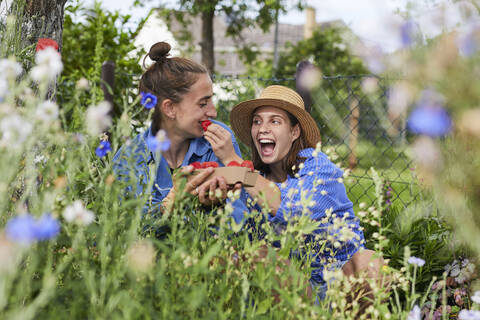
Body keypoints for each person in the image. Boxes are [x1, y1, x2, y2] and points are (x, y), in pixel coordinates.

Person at [227, 85, 367, 300]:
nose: (262, 128)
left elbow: (293, 212)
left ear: (294, 132)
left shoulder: (320, 168)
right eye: (257, 121)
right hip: (294, 288)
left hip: (339, 285)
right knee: (257, 255)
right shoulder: (257, 180)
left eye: (274, 121)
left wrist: (236, 168)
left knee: (369, 263)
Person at [112, 41, 246, 224]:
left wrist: (215, 207)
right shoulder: (129, 158)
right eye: (203, 103)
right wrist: (166, 208)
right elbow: (119, 228)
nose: (213, 112)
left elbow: (241, 219)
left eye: (211, 101)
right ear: (170, 108)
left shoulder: (219, 142)